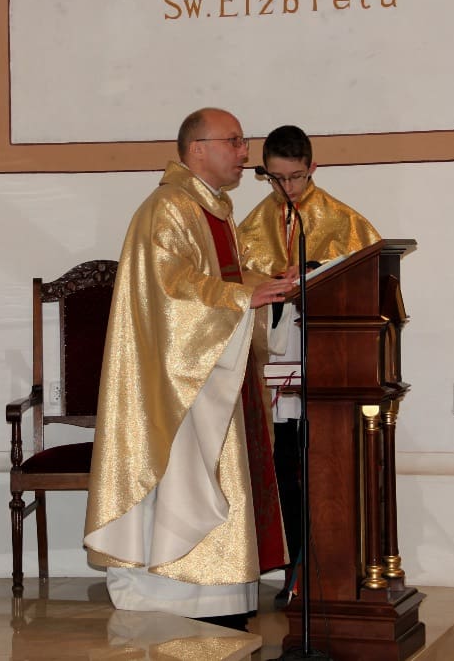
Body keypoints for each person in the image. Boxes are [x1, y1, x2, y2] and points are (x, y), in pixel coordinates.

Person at [83, 108, 296, 631]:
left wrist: (267, 282)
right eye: (234, 141)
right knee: (185, 474)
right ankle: (177, 588)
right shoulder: (168, 207)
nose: (245, 152)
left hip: (215, 365)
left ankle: (224, 586)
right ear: (197, 148)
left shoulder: (211, 207)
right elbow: (170, 287)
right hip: (177, 379)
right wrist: (242, 296)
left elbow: (221, 277)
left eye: (243, 142)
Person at [238, 124, 380, 604]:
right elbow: (233, 282)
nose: (287, 188)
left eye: (295, 177)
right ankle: (293, 565)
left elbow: (367, 275)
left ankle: (331, 567)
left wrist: (314, 272)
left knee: (324, 464)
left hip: (324, 355)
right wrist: (269, 283)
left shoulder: (342, 220)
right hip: (276, 357)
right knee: (285, 464)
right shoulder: (251, 226)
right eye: (276, 178)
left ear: (312, 168)